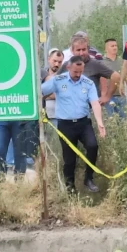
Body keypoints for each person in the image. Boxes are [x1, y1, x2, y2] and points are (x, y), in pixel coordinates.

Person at [42, 54, 106, 194]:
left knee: (93, 146)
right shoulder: (58, 80)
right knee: (69, 158)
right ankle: (70, 186)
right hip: (65, 125)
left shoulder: (88, 83)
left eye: (80, 72)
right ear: (68, 67)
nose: (78, 75)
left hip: (83, 123)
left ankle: (88, 178)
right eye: (75, 72)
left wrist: (100, 123)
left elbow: (95, 103)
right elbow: (40, 92)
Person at [71, 36, 117, 107]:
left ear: (88, 49)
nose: (81, 53)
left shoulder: (95, 64)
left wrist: (107, 96)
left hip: (92, 110)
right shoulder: (67, 66)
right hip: (72, 111)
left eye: (84, 49)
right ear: (72, 51)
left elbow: (116, 77)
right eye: (78, 50)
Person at [99, 38, 127, 118]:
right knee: (111, 121)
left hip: (121, 96)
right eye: (112, 46)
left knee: (124, 121)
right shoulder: (101, 62)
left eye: (116, 45)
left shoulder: (122, 61)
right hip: (108, 97)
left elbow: (126, 76)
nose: (115, 47)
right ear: (106, 49)